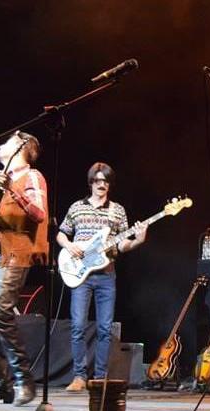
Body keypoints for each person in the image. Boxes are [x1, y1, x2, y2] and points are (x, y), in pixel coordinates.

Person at [0, 131, 47, 406]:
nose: (1, 145)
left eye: (7, 142)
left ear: (20, 148)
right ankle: (0, 385)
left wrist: (12, 189)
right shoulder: (1, 182)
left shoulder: (31, 177)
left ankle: (24, 381)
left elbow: (39, 213)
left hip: (14, 254)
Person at [58, 162, 147, 392]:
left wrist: (138, 240)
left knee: (105, 328)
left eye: (106, 181)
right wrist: (69, 246)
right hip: (80, 275)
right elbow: (61, 234)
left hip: (106, 275)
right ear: (91, 182)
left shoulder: (117, 211)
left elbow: (122, 244)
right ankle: (79, 376)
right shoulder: (77, 207)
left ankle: (99, 377)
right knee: (78, 325)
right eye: (98, 180)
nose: (102, 184)